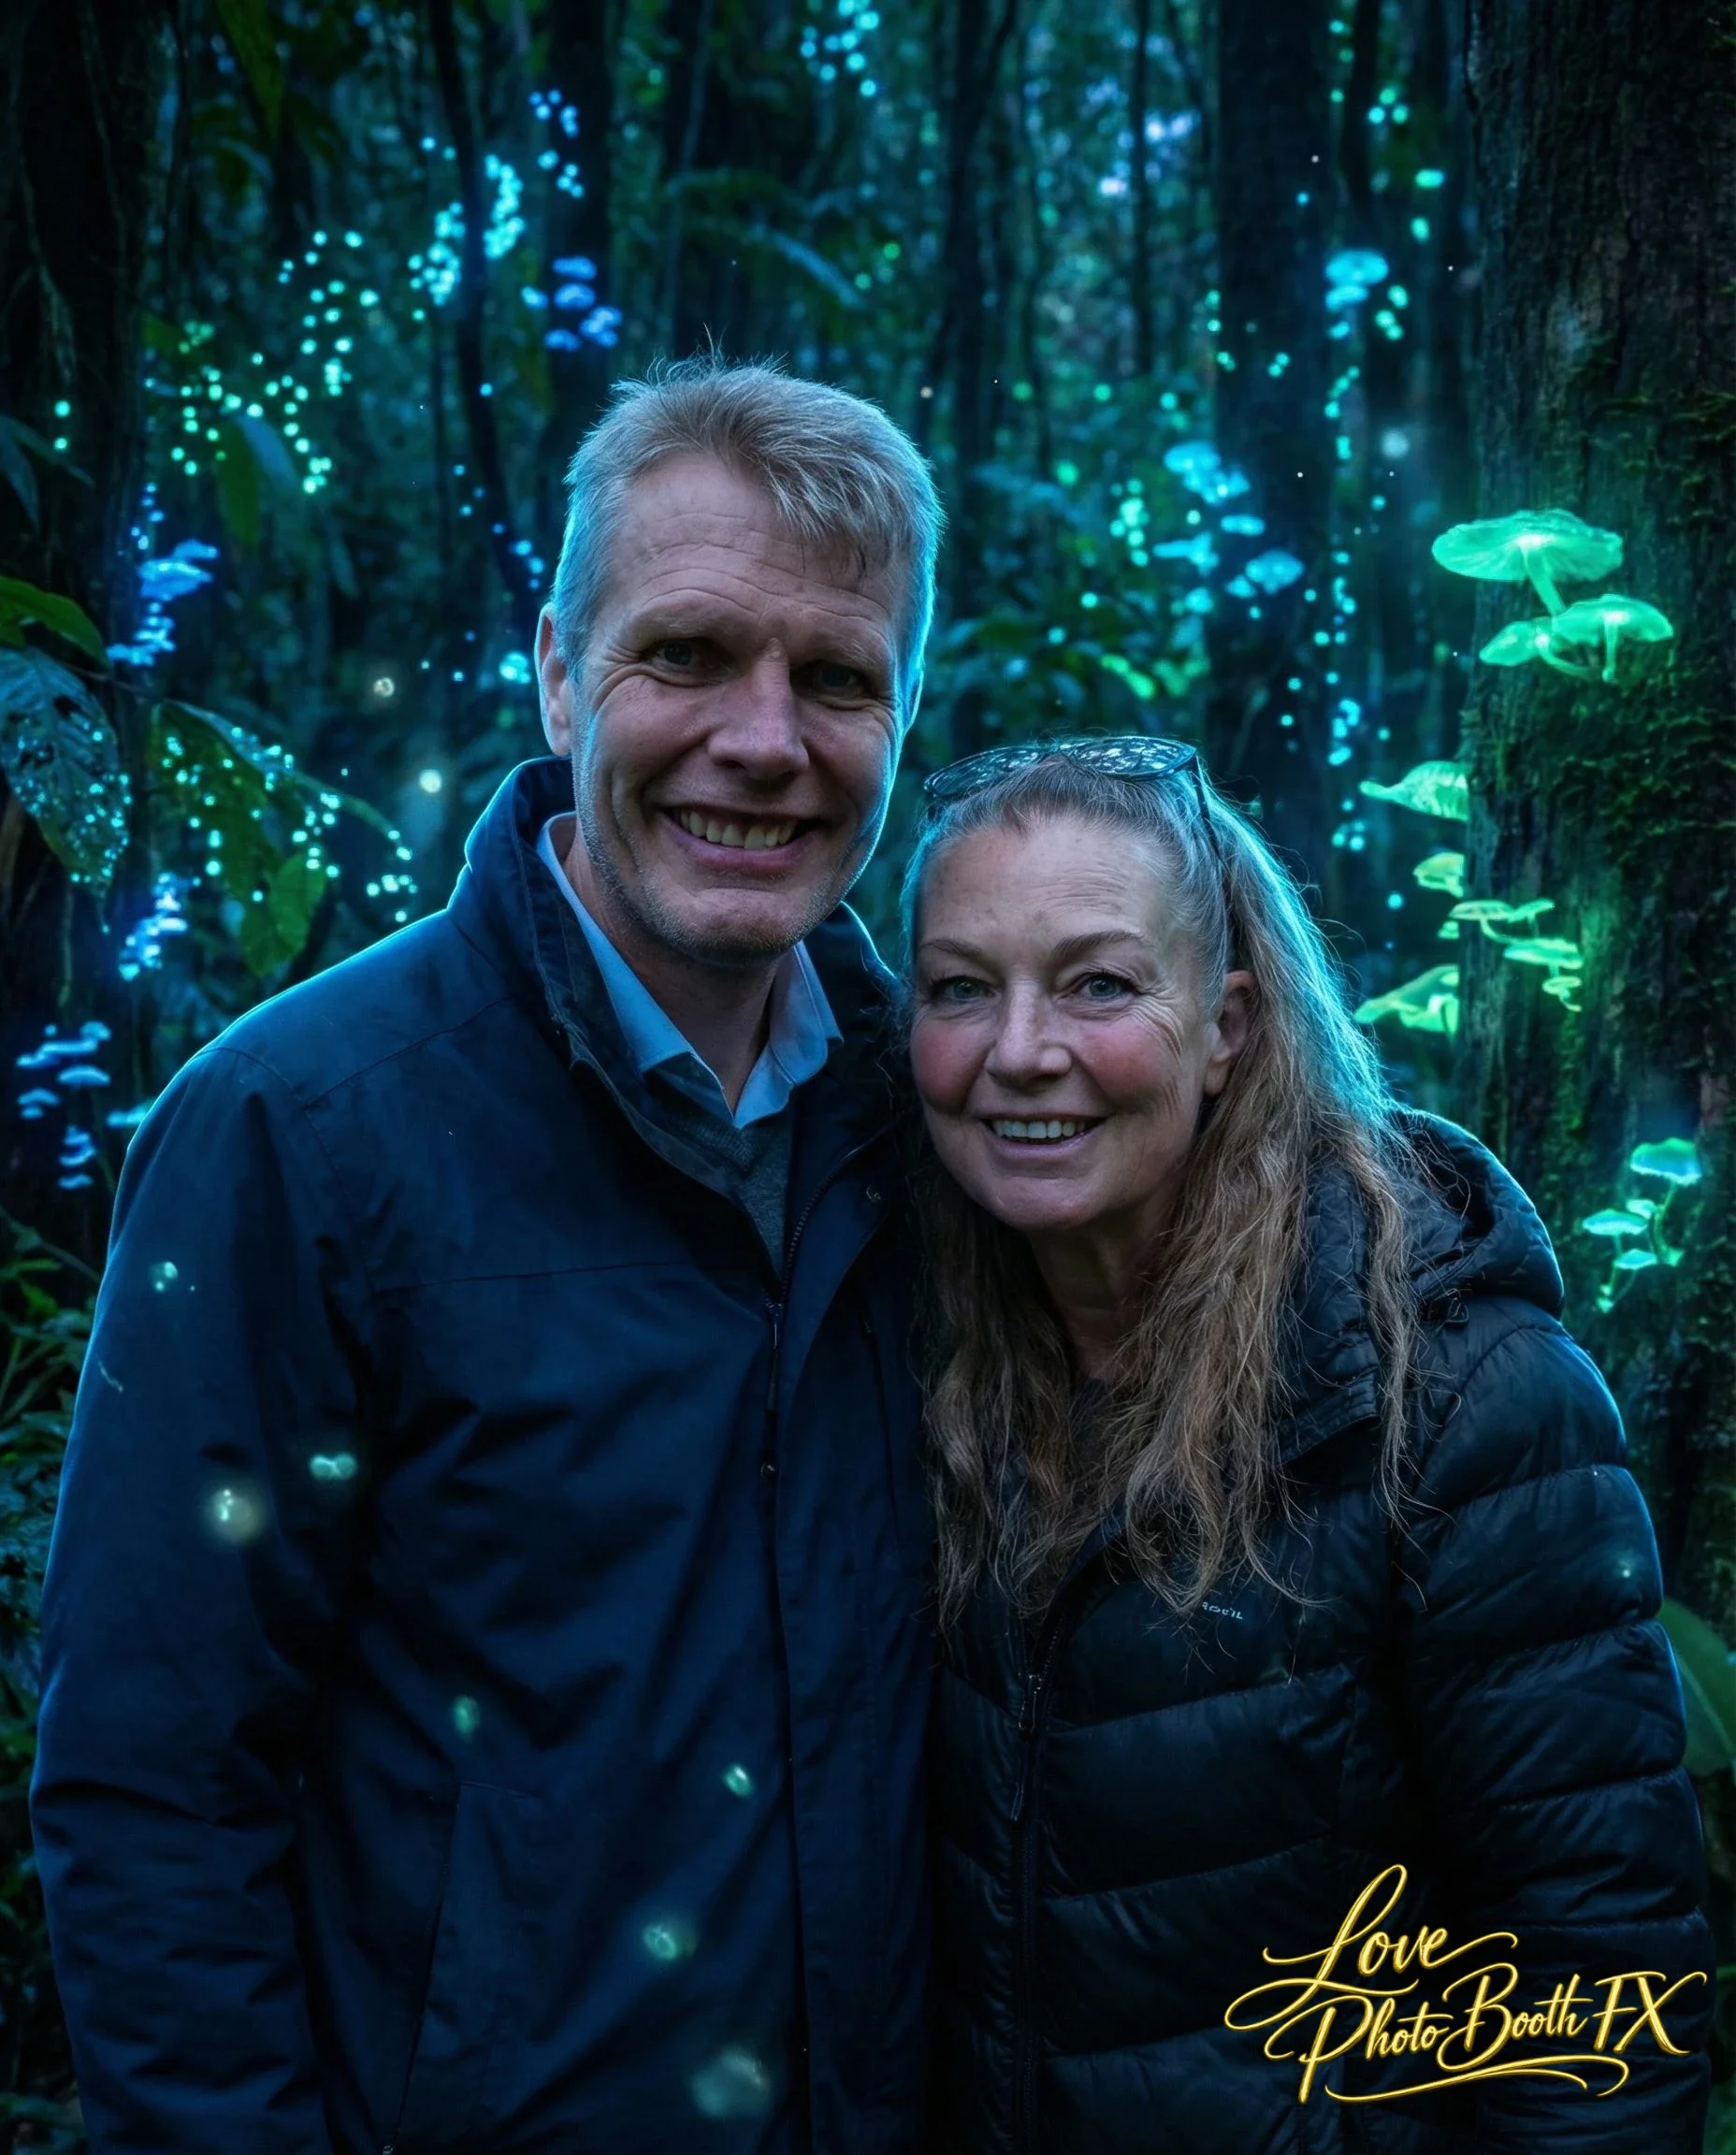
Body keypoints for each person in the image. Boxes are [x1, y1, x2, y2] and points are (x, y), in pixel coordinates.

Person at [30, 358, 942, 2155]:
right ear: (550, 669)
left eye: (838, 678)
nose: (765, 739)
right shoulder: (295, 1130)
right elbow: (152, 1789)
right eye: (685, 654)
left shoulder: (930, 1143)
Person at [902, 736, 1714, 2154]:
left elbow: (1603, 1992)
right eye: (963, 988)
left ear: (1227, 1025)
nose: (1019, 1051)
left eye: (1098, 983)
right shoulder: (919, 1354)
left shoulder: (1450, 1391)